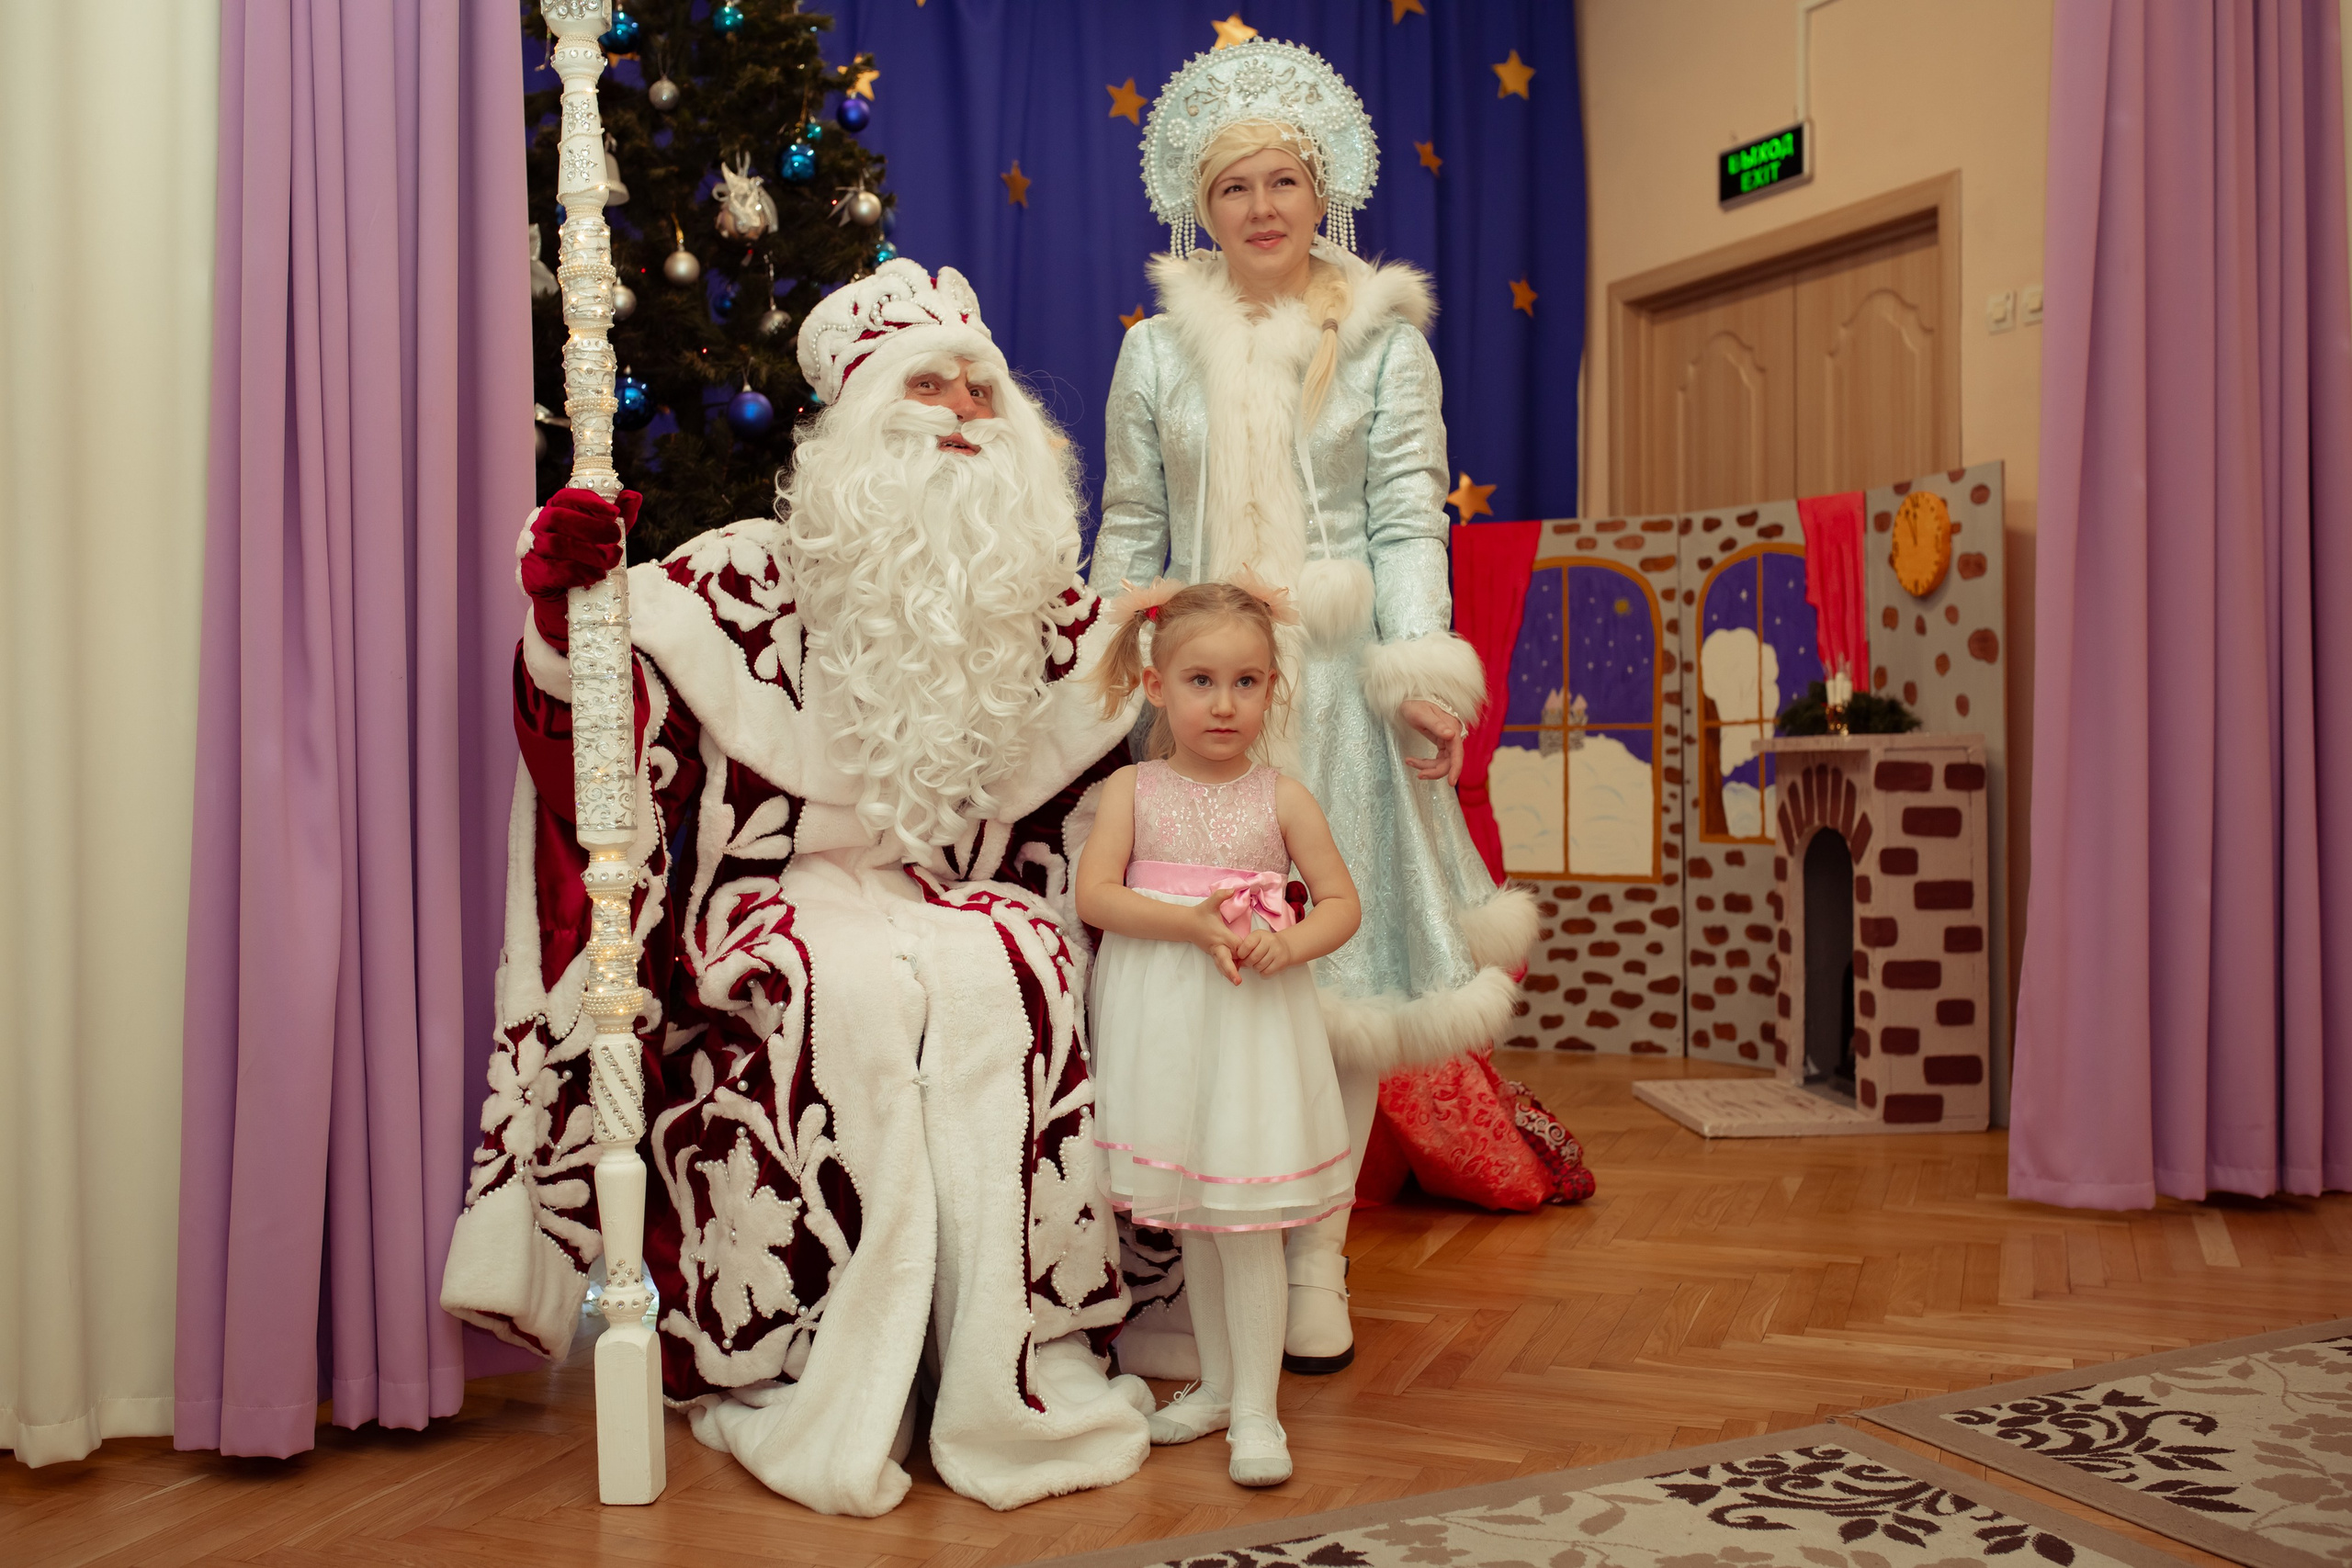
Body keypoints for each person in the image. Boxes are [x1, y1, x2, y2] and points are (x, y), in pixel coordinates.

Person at [441, 260, 1156, 1517]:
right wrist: (565, 613)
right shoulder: (746, 574)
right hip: (775, 890)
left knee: (1011, 971)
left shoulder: (1034, 596)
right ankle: (812, 1350)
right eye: (921, 385)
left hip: (955, 889)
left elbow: (1121, 714)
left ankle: (1004, 1356)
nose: (955, 410)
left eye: (974, 386)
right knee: (842, 995)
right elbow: (596, 723)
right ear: (853, 422)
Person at [1091, 39, 1543, 1376]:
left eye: (1284, 179)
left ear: (1323, 189)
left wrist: (1416, 666)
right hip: (1191, 697)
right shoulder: (1153, 358)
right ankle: (1193, 1249)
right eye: (1234, 186)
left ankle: (1312, 1254)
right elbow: (1128, 521)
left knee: (1337, 982)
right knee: (1199, 969)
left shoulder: (1386, 343)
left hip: (1335, 694)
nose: (1261, 206)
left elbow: (1408, 519)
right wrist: (1116, 654)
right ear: (1201, 205)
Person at [1076, 579, 1362, 1487]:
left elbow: (1343, 903)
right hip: (1163, 1025)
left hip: (1248, 1031)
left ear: (1272, 688)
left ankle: (1258, 1413)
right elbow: (1097, 897)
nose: (1224, 702)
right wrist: (1191, 923)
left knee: (1242, 1222)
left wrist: (1291, 941)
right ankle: (1216, 1387)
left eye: (1246, 682)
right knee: (1198, 1218)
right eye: (1201, 680)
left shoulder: (1281, 797)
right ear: (1156, 685)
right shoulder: (1132, 789)